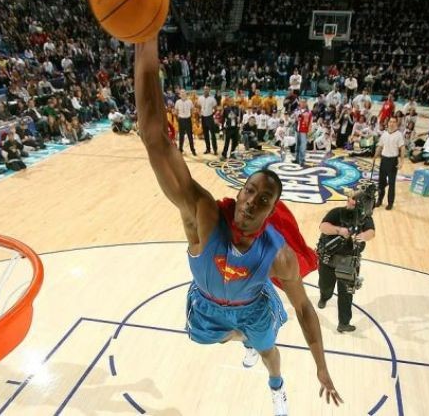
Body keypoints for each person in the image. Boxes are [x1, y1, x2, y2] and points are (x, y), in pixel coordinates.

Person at [134, 35, 343, 416]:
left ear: (272, 210)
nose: (251, 201)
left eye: (263, 200)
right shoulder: (204, 215)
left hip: (252, 307)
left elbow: (304, 309)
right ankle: (242, 337)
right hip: (208, 303)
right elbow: (154, 138)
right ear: (240, 191)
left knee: (268, 352)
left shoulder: (279, 255)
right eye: (249, 191)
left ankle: (276, 386)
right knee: (211, 340)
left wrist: (321, 367)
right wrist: (145, 45)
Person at [317, 190, 375, 332]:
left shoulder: (365, 218)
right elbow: (323, 227)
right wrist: (339, 230)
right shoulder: (337, 212)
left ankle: (344, 323)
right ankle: (324, 297)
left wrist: (362, 236)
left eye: (354, 203)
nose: (350, 204)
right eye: (350, 200)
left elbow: (371, 232)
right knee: (325, 286)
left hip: (348, 261)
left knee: (346, 294)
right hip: (328, 258)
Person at [374, 116, 405, 210]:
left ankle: (390, 203)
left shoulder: (399, 135)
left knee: (391, 183)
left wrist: (401, 161)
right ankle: (379, 200)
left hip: (392, 161)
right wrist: (375, 155)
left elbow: (402, 148)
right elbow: (380, 145)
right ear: (388, 123)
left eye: (394, 122)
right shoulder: (384, 134)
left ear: (396, 123)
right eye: (390, 122)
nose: (391, 123)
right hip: (384, 160)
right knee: (381, 182)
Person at [197, 86, 218, 155]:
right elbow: (198, 106)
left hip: (210, 117)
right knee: (205, 134)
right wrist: (199, 113)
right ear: (203, 90)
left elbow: (215, 108)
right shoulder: (200, 98)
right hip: (203, 118)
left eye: (207, 89)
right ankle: (208, 149)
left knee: (212, 134)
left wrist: (212, 114)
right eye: (205, 89)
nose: (206, 90)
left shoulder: (212, 99)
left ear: (209, 90)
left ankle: (215, 149)